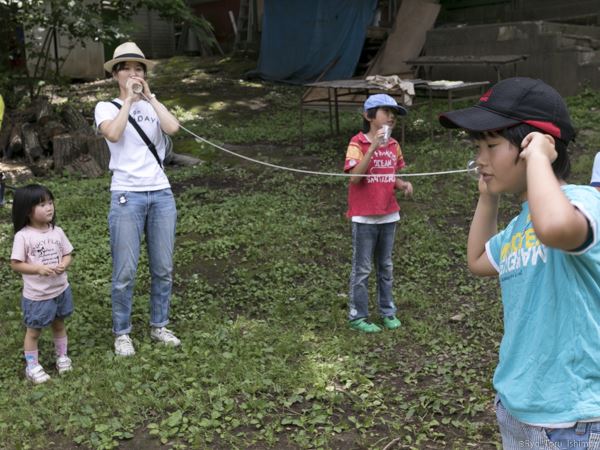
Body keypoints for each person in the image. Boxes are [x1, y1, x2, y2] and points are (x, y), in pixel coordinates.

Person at [439, 77, 600, 449]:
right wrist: (487, 198)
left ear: (534, 144)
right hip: (518, 407)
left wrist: (540, 159)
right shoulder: (521, 225)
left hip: (570, 419)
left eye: (491, 145)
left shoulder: (583, 203)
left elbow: (557, 226)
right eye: (477, 146)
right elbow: (479, 260)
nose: (480, 158)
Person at [94, 42, 181, 356]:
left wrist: (150, 98)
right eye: (127, 68)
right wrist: (129, 101)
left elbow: (173, 127)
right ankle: (122, 332)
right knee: (125, 270)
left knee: (163, 267)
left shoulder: (152, 105)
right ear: (116, 74)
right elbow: (114, 134)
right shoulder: (106, 107)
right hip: (126, 195)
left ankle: (159, 325)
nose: (134, 73)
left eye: (139, 68)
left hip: (161, 194)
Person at [344, 93, 413, 333]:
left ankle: (387, 311)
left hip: (388, 214)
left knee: (385, 266)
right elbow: (355, 177)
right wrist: (372, 148)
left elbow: (389, 175)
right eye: (386, 111)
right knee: (362, 269)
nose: (392, 116)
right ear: (368, 115)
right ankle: (358, 316)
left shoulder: (394, 145)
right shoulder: (357, 143)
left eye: (394, 113)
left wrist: (401, 184)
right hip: (364, 216)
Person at [10, 184, 74, 384]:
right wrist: (37, 269)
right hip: (38, 295)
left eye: (50, 202)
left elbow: (67, 253)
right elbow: (16, 264)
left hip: (60, 290)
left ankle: (62, 356)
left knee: (59, 324)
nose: (49, 208)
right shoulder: (23, 236)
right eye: (42, 205)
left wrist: (64, 264)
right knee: (34, 331)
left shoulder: (57, 231)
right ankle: (32, 366)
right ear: (27, 211)